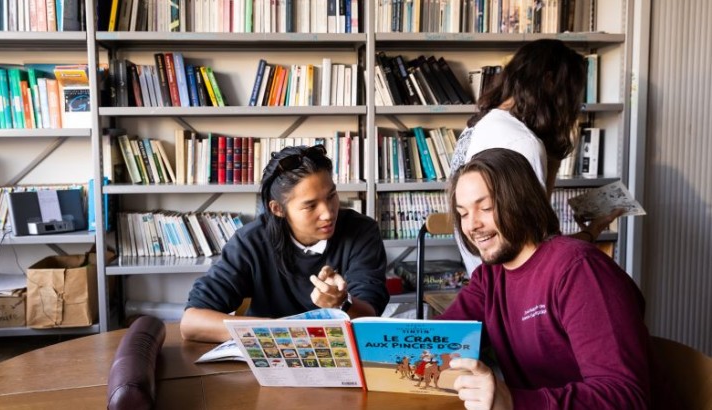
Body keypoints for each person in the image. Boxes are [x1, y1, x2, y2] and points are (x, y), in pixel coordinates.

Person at [441, 148, 651, 409]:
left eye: (486, 207)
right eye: (462, 213)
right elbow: (442, 339)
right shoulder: (489, 277)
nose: (471, 225)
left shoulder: (580, 271)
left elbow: (626, 397)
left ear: (521, 202)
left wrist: (513, 401)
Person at [181, 145, 389, 342]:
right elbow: (191, 322)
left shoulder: (361, 231)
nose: (328, 213)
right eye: (310, 205)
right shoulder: (251, 241)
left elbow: (369, 316)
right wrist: (282, 332)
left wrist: (342, 303)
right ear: (277, 209)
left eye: (331, 196)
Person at [451, 39, 621, 274]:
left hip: (483, 276)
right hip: (512, 284)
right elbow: (538, 252)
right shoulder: (524, 143)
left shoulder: (479, 125)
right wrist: (594, 229)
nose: (574, 105)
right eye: (572, 94)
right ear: (551, 83)